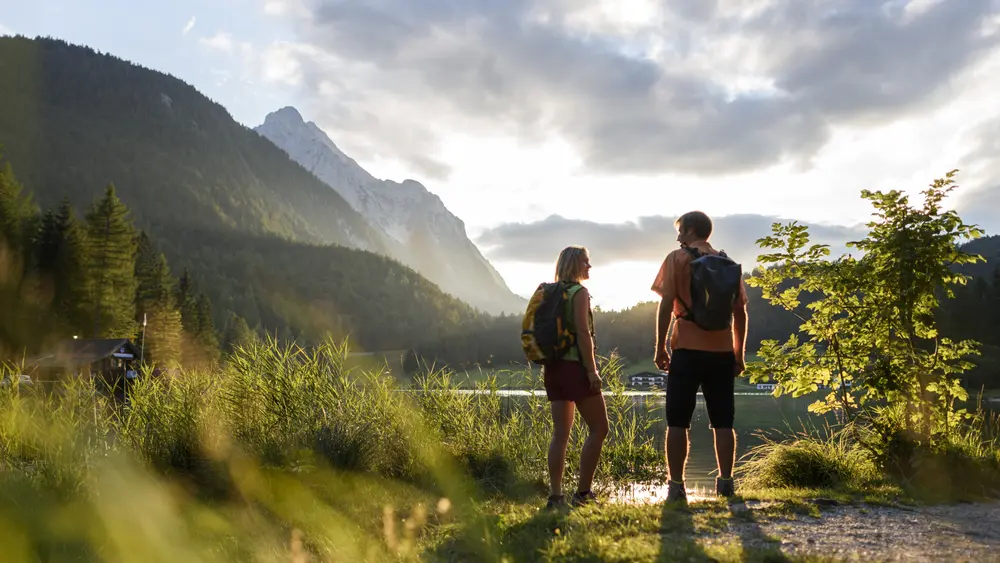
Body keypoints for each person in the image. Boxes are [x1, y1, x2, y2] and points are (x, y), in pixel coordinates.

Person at [651, 211, 748, 503]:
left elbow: (666, 305)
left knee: (677, 421)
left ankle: (676, 487)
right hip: (721, 352)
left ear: (691, 230)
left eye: (680, 230)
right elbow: (740, 313)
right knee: (723, 421)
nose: (678, 237)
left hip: (686, 350)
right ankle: (726, 484)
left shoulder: (677, 259)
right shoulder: (727, 263)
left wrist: (660, 347)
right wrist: (738, 354)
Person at [543, 245, 609, 510]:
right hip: (575, 367)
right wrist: (592, 371)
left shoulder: (550, 292)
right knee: (599, 428)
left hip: (553, 368)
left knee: (560, 434)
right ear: (573, 264)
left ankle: (555, 496)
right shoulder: (579, 293)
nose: (589, 266)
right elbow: (583, 333)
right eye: (585, 262)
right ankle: (582, 493)